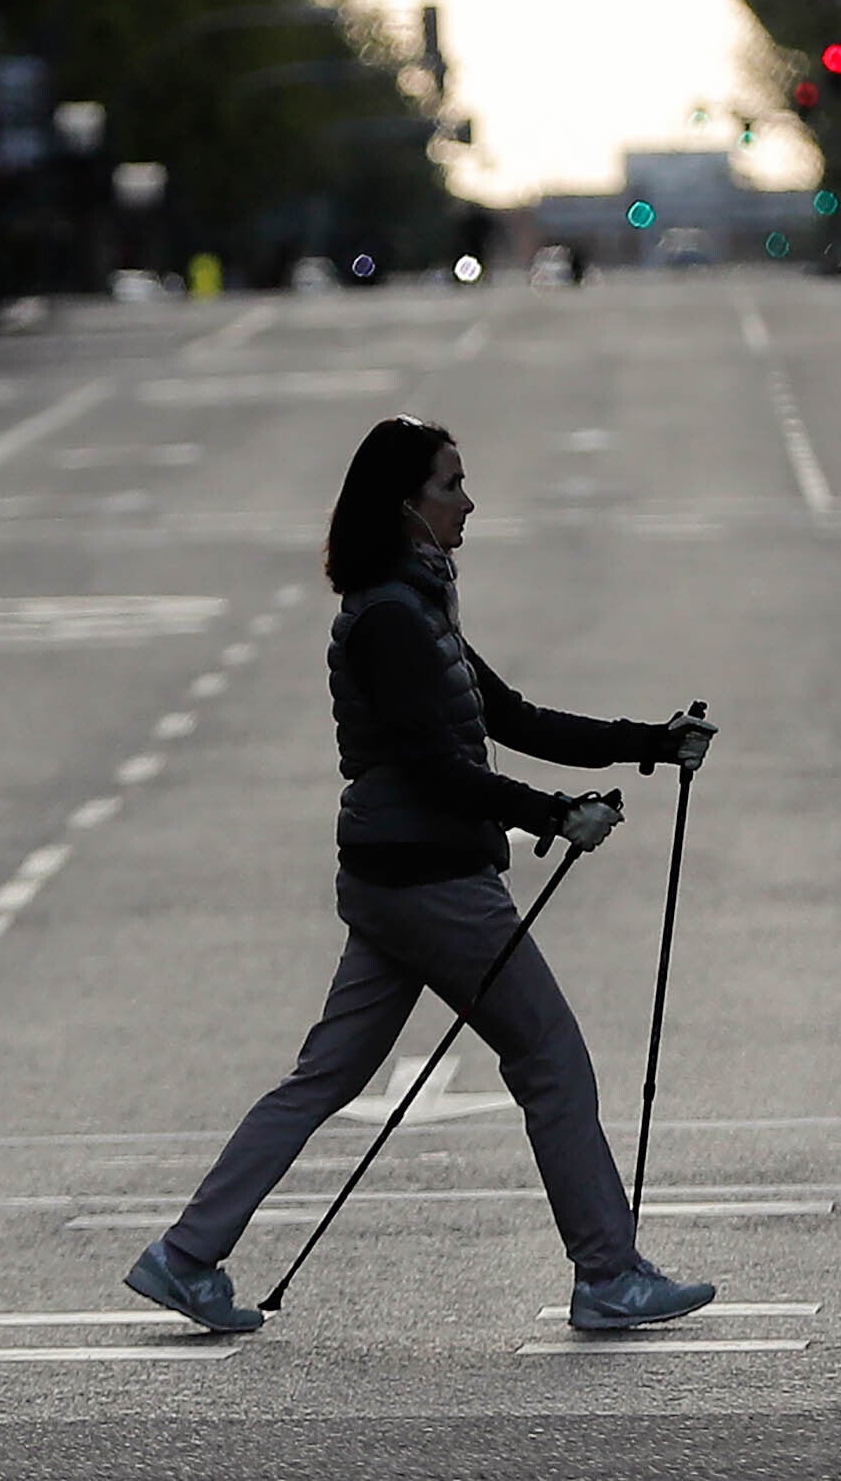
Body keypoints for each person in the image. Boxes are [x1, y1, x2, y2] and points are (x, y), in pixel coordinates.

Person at [125, 415, 721, 1336]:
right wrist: (554, 814)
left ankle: (186, 1254)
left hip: (393, 879)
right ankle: (608, 1272)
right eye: (452, 485)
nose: (468, 502)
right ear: (405, 504)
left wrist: (650, 741)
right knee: (551, 1058)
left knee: (323, 1077)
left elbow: (511, 715)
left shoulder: (414, 606)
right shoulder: (391, 621)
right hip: (432, 882)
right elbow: (436, 770)